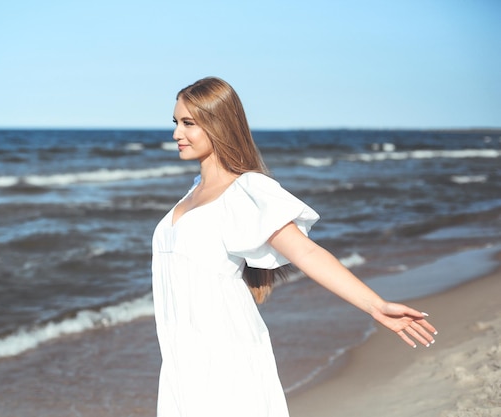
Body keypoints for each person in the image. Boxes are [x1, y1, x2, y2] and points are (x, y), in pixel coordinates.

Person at [151, 76, 437, 417]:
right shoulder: (193, 192)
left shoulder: (246, 190)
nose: (176, 134)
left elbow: (306, 252)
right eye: (175, 123)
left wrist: (375, 306)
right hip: (181, 354)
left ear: (218, 124)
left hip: (224, 350)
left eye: (188, 123)